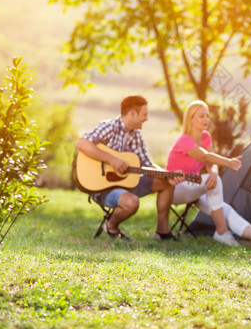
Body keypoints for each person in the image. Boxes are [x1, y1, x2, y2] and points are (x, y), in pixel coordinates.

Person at [77, 95, 182, 242]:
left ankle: (162, 231)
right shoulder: (109, 127)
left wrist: (168, 174)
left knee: (166, 183)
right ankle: (111, 227)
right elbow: (83, 144)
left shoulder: (136, 135)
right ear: (133, 113)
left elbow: (147, 164)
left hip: (127, 183)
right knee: (132, 203)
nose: (146, 119)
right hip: (103, 188)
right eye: (144, 114)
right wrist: (111, 159)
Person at [166, 100, 251, 246]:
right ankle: (222, 232)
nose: (206, 119)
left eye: (207, 116)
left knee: (224, 208)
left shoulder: (206, 137)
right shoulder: (184, 140)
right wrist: (228, 162)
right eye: (201, 116)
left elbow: (210, 163)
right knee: (212, 183)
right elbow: (205, 156)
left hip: (193, 188)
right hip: (174, 190)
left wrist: (214, 172)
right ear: (190, 119)